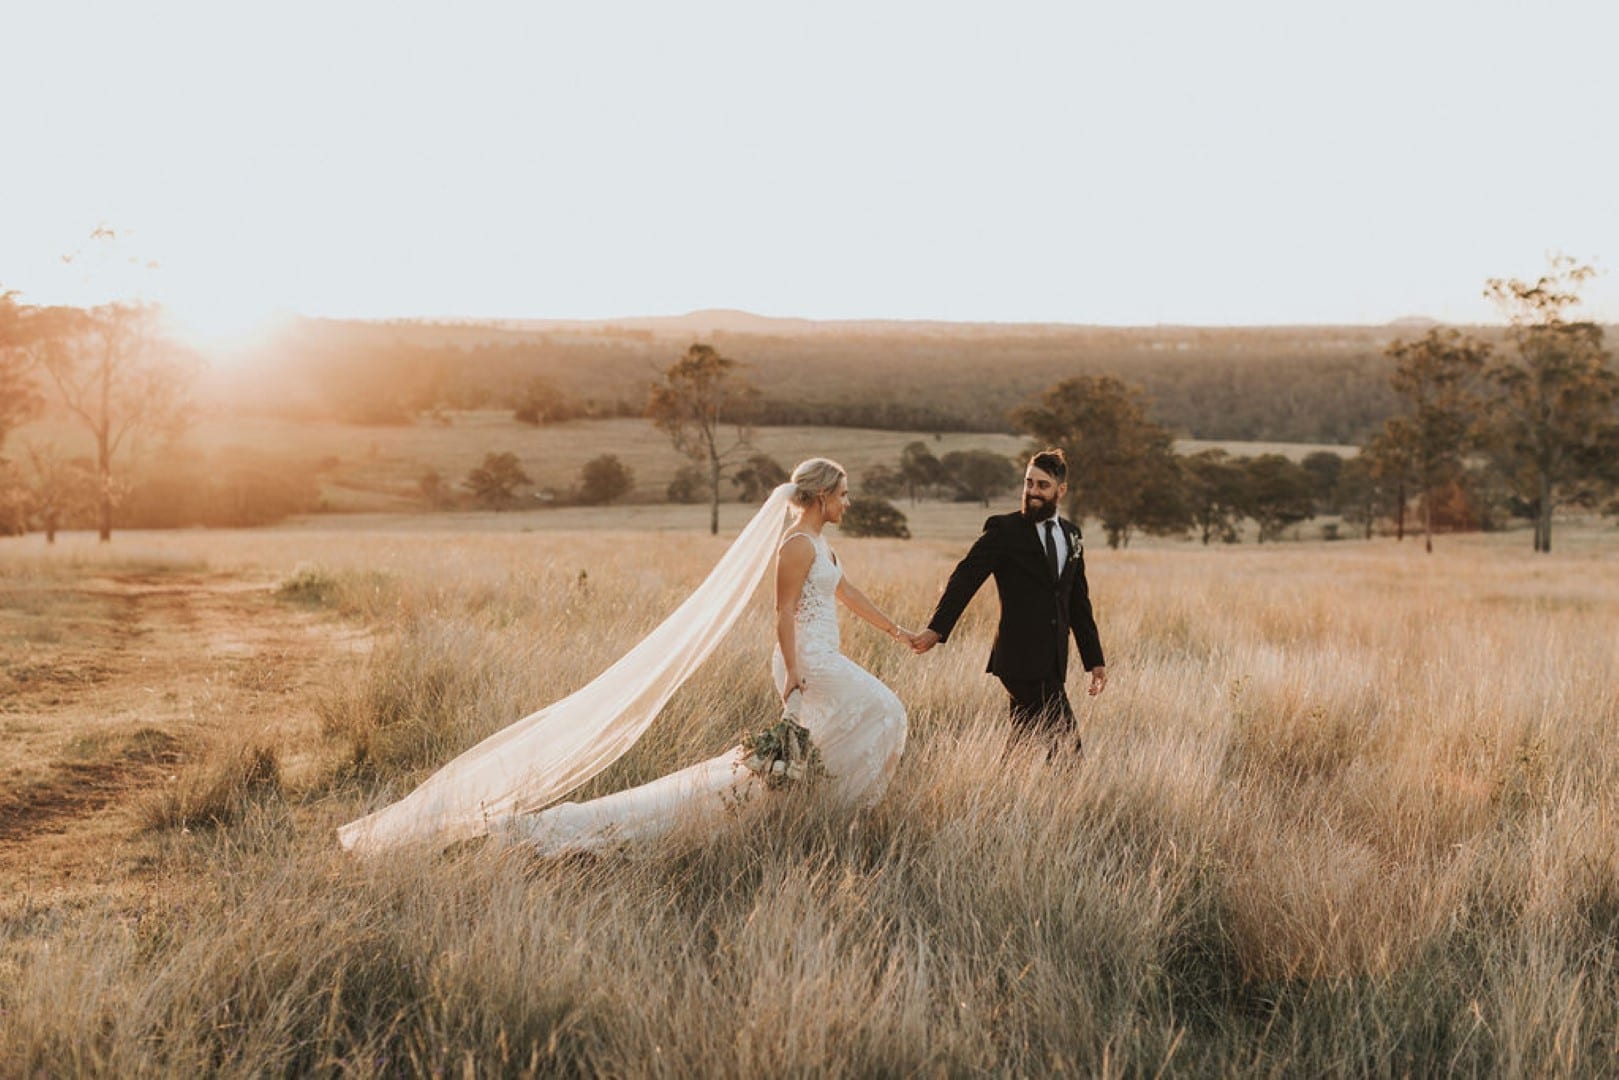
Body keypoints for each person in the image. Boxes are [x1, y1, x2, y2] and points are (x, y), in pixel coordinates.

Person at [337, 458, 912, 855]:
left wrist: (897, 631)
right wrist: (794, 674)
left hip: (824, 655)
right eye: (842, 493)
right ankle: (834, 815)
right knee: (886, 711)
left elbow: (845, 592)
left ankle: (821, 820)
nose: (848, 501)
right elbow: (782, 614)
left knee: (838, 737)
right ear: (818, 497)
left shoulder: (821, 544)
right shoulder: (793, 545)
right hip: (808, 661)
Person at [911, 448, 1106, 757]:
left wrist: (1094, 660)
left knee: (1022, 743)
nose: (1032, 492)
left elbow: (1078, 602)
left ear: (1061, 490)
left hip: (1053, 660)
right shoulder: (1004, 530)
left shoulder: (1072, 535)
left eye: (1042, 485)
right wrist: (936, 630)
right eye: (1028, 483)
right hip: (1017, 659)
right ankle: (1073, 802)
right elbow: (965, 578)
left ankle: (1004, 794)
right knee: (1068, 746)